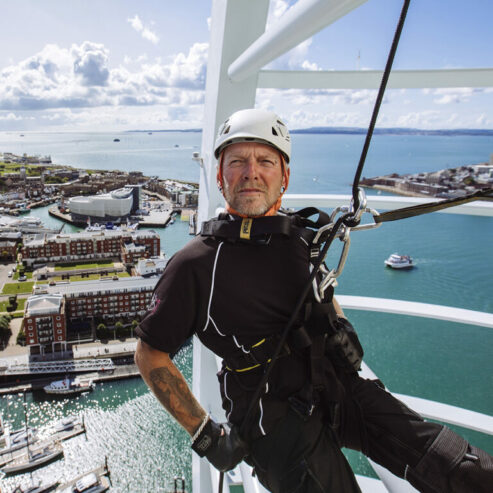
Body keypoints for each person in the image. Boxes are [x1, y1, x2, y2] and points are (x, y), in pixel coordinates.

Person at [135, 108, 493, 492]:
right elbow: (150, 353)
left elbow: (322, 293)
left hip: (338, 385)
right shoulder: (196, 264)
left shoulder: (303, 239)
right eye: (236, 161)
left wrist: (341, 328)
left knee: (465, 468)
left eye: (265, 161)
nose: (250, 172)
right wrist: (205, 435)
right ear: (220, 177)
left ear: (284, 177)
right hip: (273, 421)